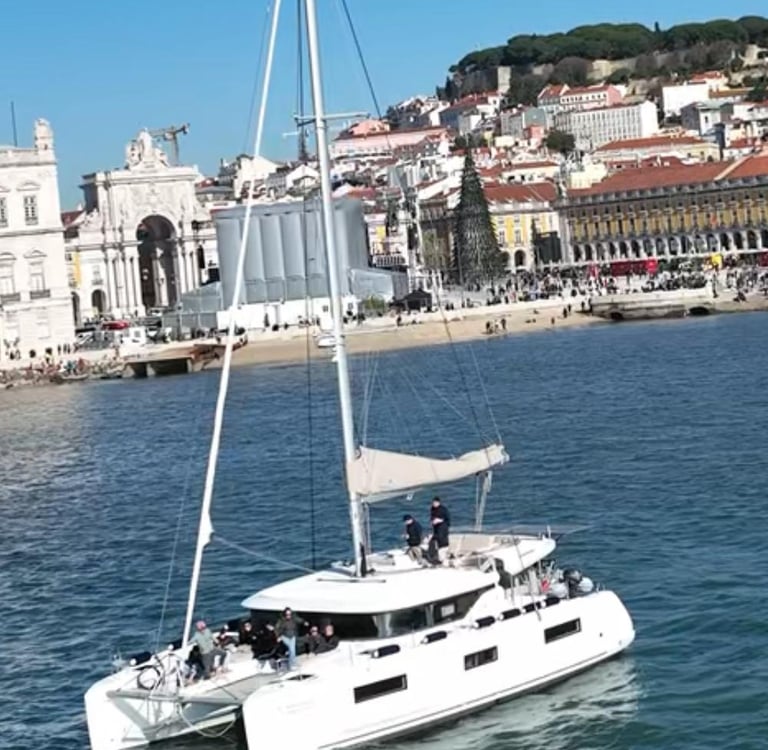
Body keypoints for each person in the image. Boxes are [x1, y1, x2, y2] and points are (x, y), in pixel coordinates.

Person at [427, 497, 451, 565]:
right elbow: (432, 516)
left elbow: (448, 520)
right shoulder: (432, 509)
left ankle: (443, 559)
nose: (433, 504)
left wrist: (439, 520)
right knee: (435, 541)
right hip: (436, 528)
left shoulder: (443, 510)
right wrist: (432, 521)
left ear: (438, 502)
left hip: (442, 528)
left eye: (435, 502)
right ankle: (435, 557)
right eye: (433, 502)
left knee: (442, 542)